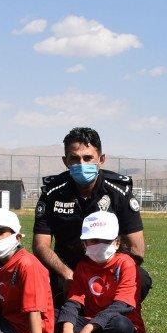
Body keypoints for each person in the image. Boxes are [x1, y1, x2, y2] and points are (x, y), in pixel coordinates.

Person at [33, 127, 149, 308]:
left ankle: (112, 313)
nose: (81, 164)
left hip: (108, 267)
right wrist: (67, 273)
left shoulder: (119, 192)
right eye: (74, 159)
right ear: (65, 161)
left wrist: (111, 272)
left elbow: (137, 248)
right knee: (34, 275)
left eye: (88, 158)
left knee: (140, 277)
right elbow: (40, 245)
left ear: (101, 159)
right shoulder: (52, 193)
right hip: (66, 269)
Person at [55, 210, 146, 333]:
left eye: (106, 240)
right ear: (84, 244)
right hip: (90, 321)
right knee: (52, 316)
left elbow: (121, 306)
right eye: (94, 240)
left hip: (117, 323)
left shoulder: (126, 263)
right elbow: (73, 301)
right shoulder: (82, 266)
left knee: (121, 326)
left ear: (117, 242)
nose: (100, 245)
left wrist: (89, 328)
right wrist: (67, 329)